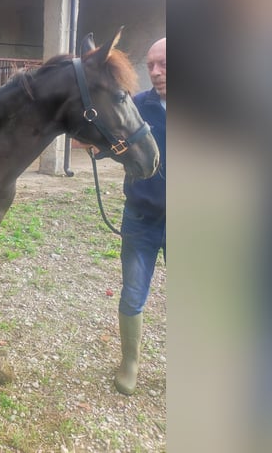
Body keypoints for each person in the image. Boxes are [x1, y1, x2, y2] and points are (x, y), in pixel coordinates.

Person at [114, 37, 166, 395]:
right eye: (150, 65)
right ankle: (130, 361)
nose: (156, 72)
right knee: (133, 292)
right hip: (141, 218)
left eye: (163, 63)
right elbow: (115, 141)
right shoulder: (138, 106)